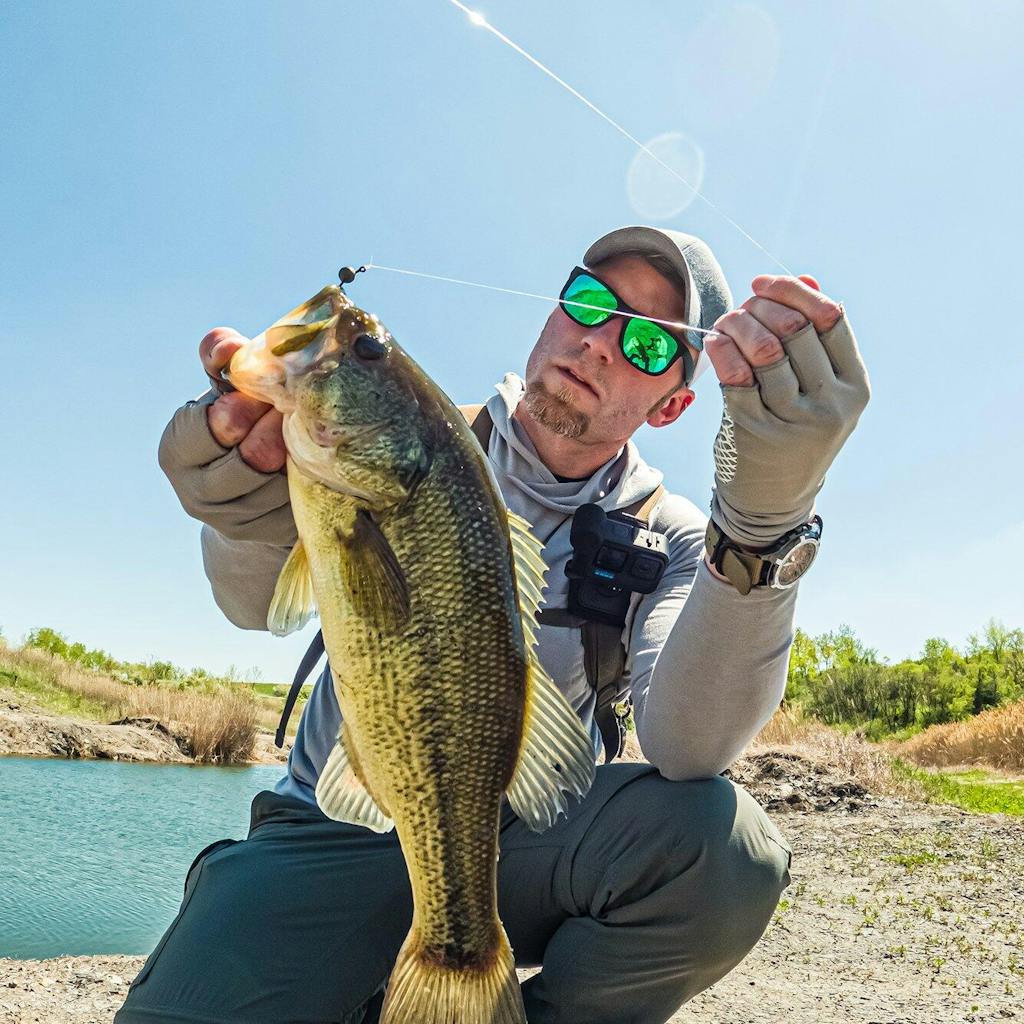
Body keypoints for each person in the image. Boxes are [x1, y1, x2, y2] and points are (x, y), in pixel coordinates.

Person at [117, 225, 870, 1024]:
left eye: (648, 344)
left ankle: (473, 991)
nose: (600, 342)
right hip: (331, 826)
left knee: (723, 851)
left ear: (674, 404)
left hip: (522, 844)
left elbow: (690, 748)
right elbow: (250, 604)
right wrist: (241, 513)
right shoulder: (414, 441)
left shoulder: (676, 536)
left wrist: (759, 532)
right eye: (590, 302)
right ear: (553, 310)